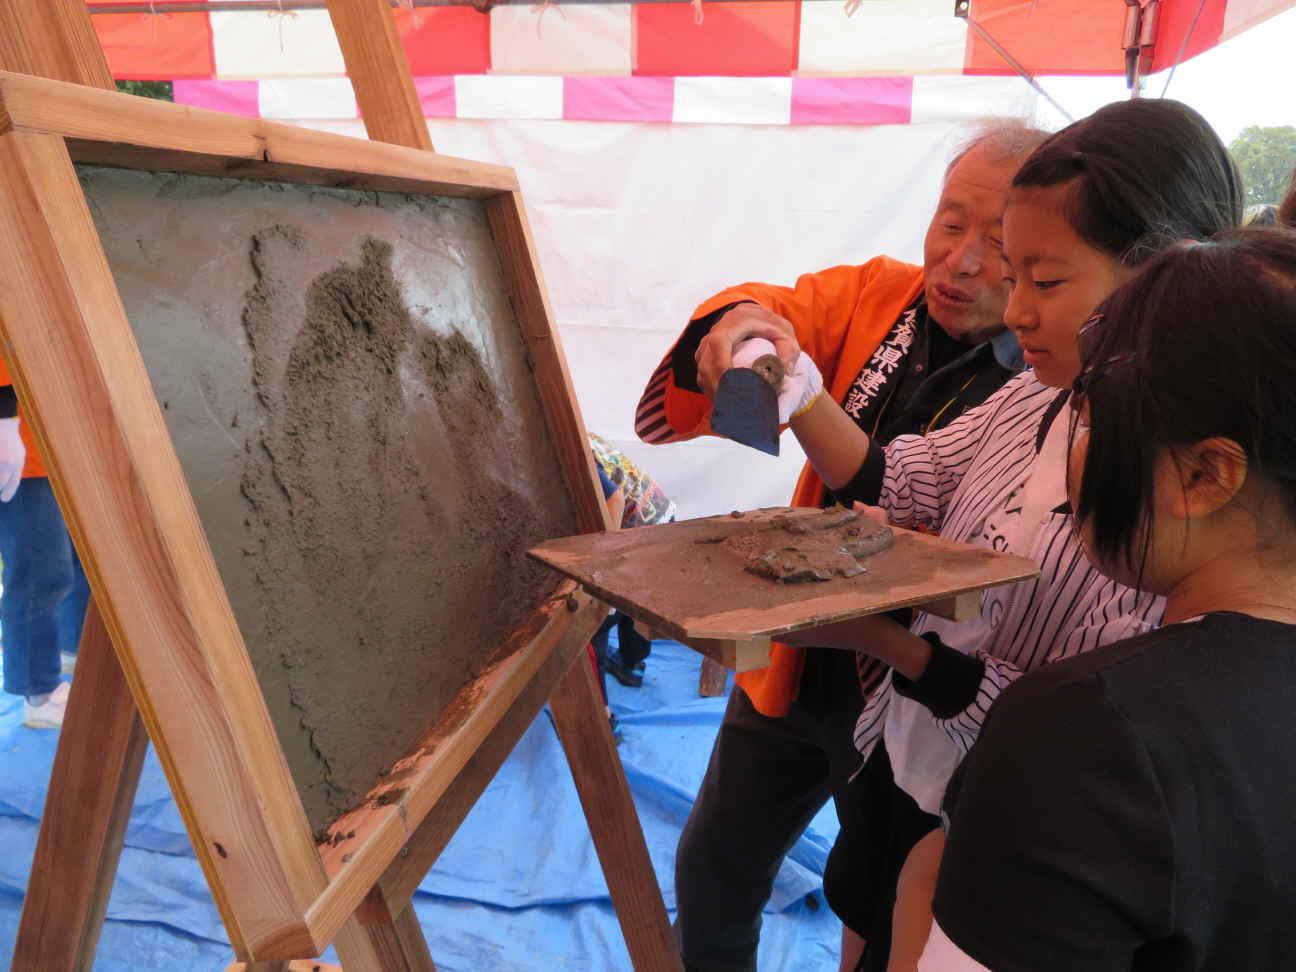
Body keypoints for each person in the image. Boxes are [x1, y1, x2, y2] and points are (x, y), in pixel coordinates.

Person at [772, 98, 1242, 971]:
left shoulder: (1171, 497)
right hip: (907, 755)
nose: (1016, 310)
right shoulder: (1035, 395)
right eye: (1010, 274)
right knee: (867, 907)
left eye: (1046, 281)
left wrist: (897, 643)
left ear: (1163, 275)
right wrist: (797, 392)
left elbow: (1080, 715)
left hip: (1006, 812)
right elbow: (907, 477)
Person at [635, 120, 1048, 971]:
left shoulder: (1047, 375)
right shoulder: (875, 299)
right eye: (949, 222)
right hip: (797, 659)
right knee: (715, 866)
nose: (963, 260)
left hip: (931, 691)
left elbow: (903, 489)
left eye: (1001, 241)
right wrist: (748, 328)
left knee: (881, 900)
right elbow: (772, 309)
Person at [914, 227, 1296, 971]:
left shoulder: (1088, 732)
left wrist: (912, 915)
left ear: (1203, 476)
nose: (1076, 449)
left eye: (1089, 418)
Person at [0, 363, 90, 729]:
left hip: (49, 430)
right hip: (20, 442)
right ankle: (40, 693)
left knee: (76, 555)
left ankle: (70, 650)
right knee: (41, 571)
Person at [589, 433, 676, 688]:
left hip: (642, 530)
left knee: (599, 621)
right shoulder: (585, 435)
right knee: (637, 603)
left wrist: (607, 558)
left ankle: (601, 710)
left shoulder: (569, 448)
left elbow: (613, 499)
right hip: (660, 517)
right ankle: (631, 664)